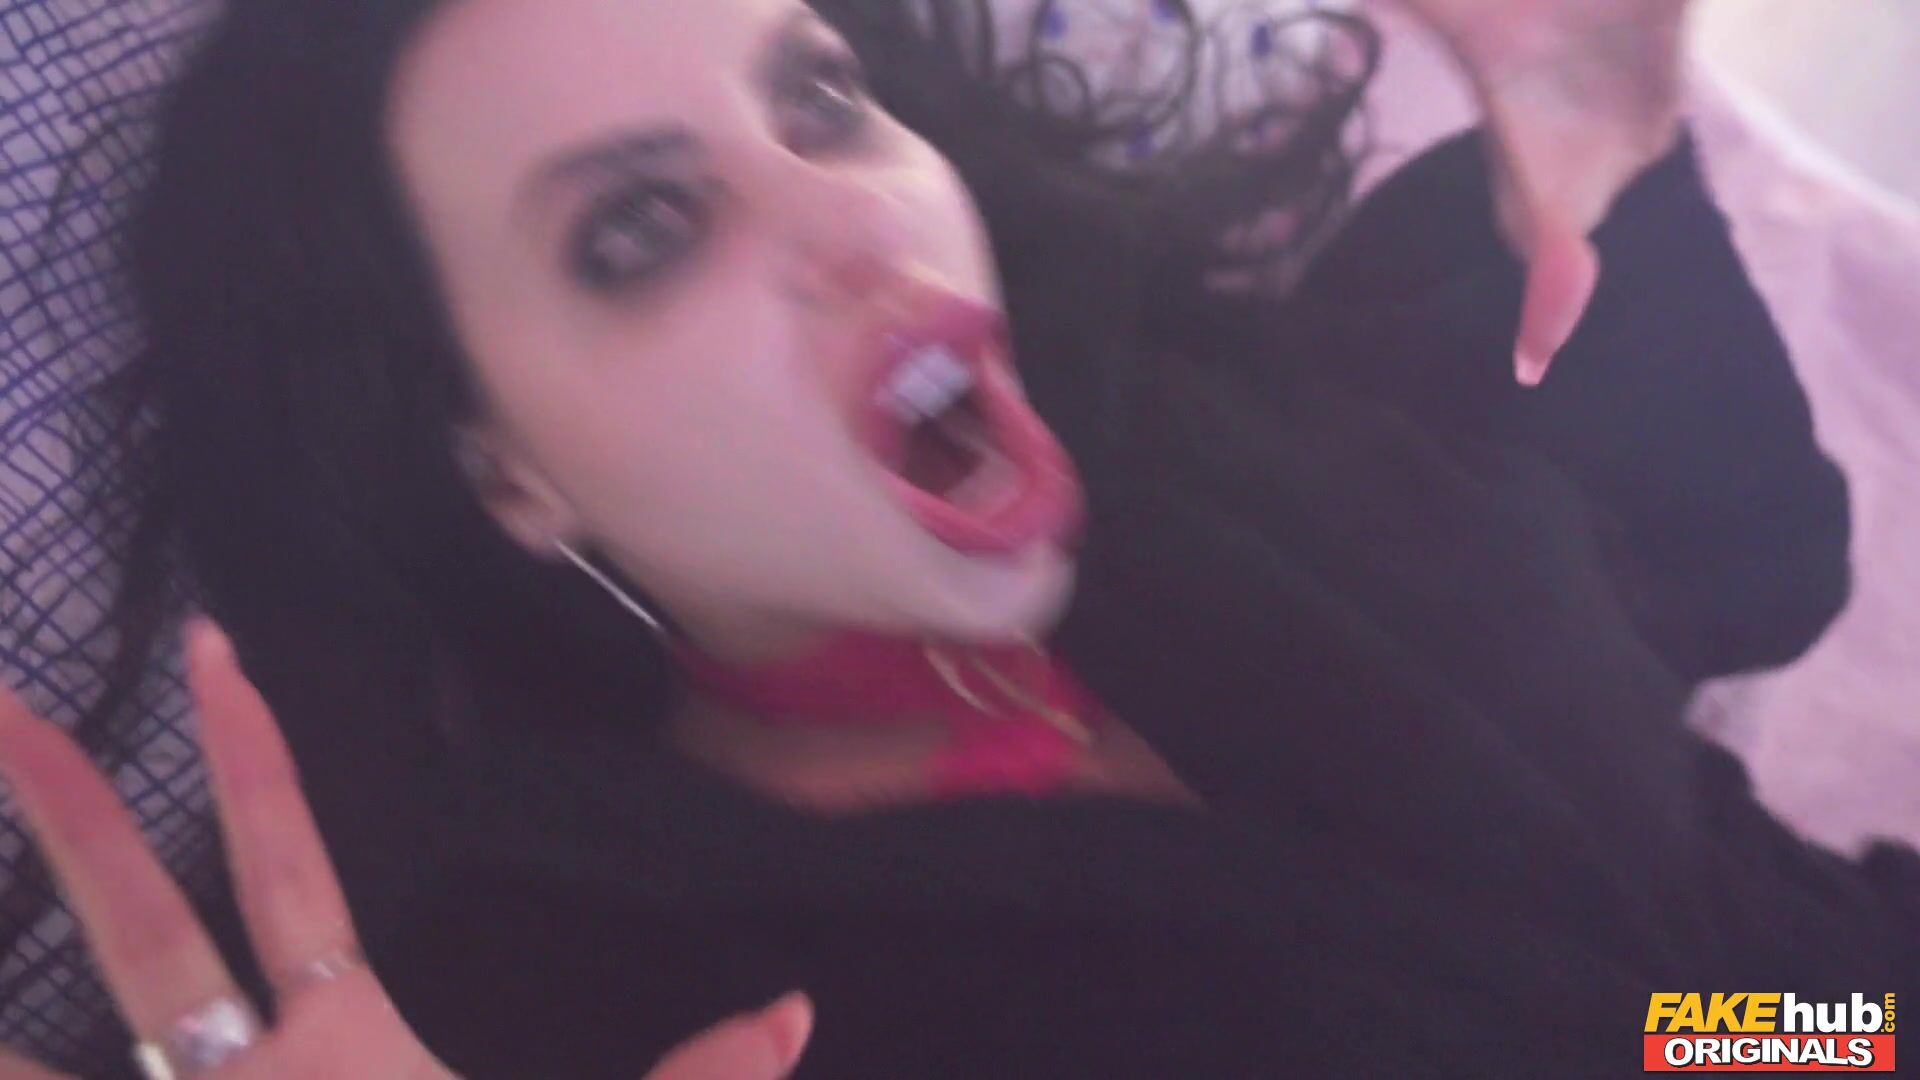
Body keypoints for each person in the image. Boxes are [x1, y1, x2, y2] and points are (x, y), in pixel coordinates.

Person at [1, 0, 1914, 1076]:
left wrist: (1612, 170)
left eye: (818, 103)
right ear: (505, 478)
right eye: (643, 232)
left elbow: (1733, 575)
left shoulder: (1195, 426)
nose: (854, 220)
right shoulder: (568, 998)